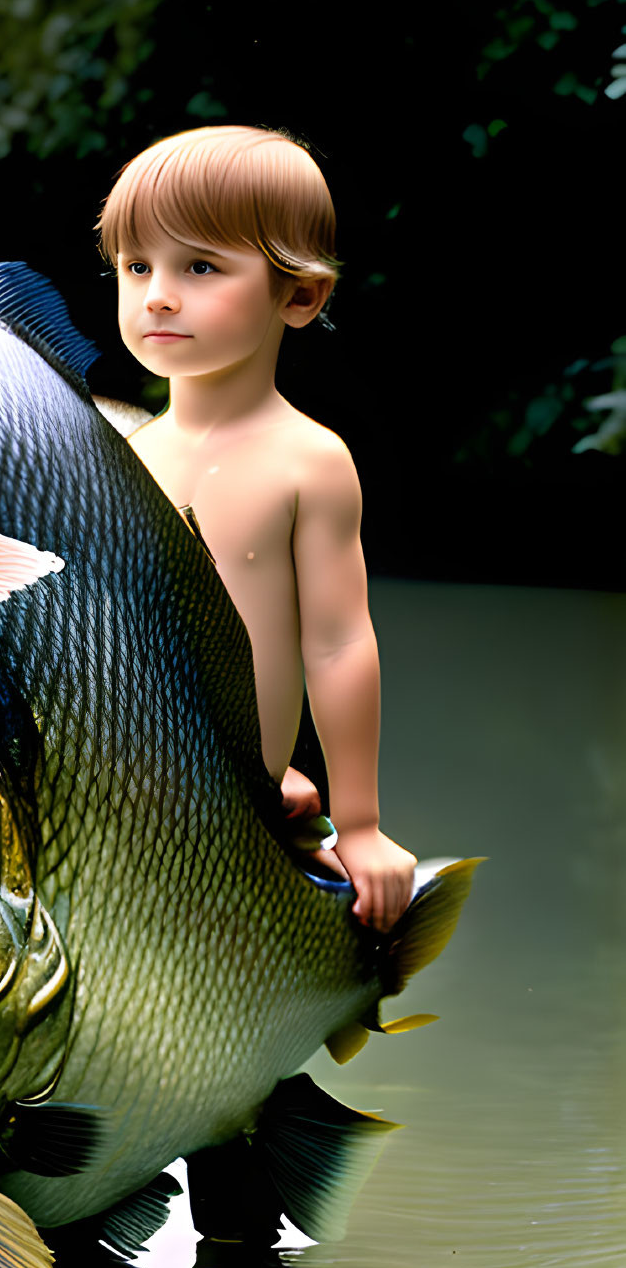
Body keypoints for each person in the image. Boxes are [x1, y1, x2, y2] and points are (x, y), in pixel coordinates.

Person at [98, 125, 415, 932]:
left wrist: (361, 823)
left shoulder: (307, 459)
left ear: (298, 296)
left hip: (237, 810)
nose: (157, 295)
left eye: (198, 266)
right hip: (117, 804)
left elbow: (338, 642)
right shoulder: (123, 453)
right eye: (137, 267)